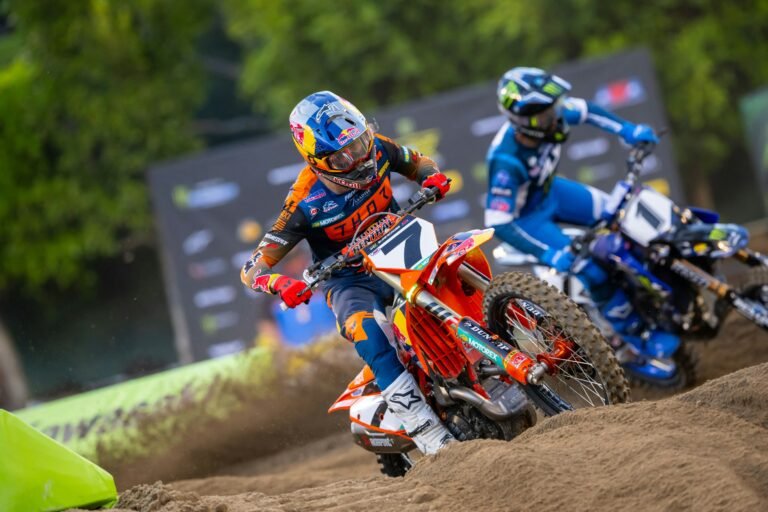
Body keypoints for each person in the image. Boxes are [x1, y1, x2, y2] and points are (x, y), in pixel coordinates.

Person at [240, 91, 453, 454]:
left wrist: (431, 177)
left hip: (401, 246)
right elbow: (251, 269)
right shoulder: (304, 201)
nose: (359, 158)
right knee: (367, 332)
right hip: (349, 279)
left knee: (453, 271)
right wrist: (279, 284)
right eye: (342, 155)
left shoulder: (378, 148)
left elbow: (418, 162)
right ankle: (427, 431)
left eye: (359, 143)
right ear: (317, 161)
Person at [485, 67, 679, 373]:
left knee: (623, 215)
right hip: (529, 218)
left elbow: (587, 110)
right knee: (588, 268)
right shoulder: (505, 160)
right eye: (546, 114)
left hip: (551, 192)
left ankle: (656, 293)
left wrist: (627, 130)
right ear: (525, 120)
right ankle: (630, 340)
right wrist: (548, 254)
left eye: (554, 108)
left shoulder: (551, 116)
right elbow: (498, 221)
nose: (556, 116)